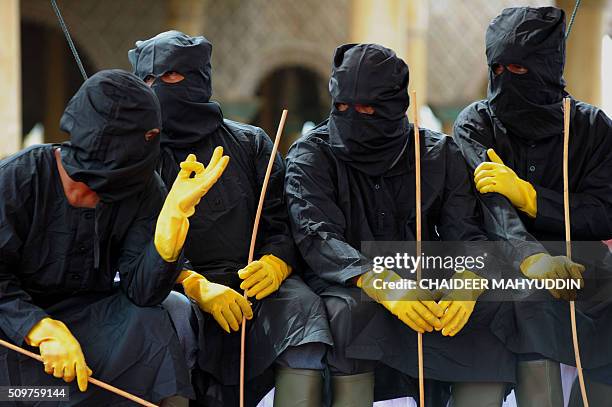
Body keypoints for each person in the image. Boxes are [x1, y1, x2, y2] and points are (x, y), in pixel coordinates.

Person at [285, 43, 516, 407]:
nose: (352, 117)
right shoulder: (311, 154)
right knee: (351, 312)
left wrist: (469, 280)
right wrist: (379, 281)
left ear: (395, 105)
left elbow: (467, 233)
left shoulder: (440, 154)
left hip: (424, 272)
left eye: (366, 109)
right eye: (342, 107)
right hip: (347, 282)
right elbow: (316, 233)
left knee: (492, 307)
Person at [0, 69, 229, 406]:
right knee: (34, 393)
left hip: (96, 318)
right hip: (17, 327)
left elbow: (142, 291)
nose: (156, 145)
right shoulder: (17, 179)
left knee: (151, 322)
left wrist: (171, 225)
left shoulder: (144, 187)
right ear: (108, 141)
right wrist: (41, 329)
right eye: (148, 136)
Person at [128, 31, 332, 407]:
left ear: (198, 78)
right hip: (173, 283)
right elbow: (132, 243)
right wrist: (193, 284)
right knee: (165, 320)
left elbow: (283, 219)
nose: (157, 89)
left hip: (252, 279)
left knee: (303, 310)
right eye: (147, 80)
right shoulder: (136, 154)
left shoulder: (251, 143)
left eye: (169, 77)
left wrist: (276, 262)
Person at [452, 6, 612, 407]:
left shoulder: (592, 129)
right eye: (498, 69)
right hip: (495, 261)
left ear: (546, 68)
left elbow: (604, 211)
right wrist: (531, 259)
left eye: (519, 70)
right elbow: (489, 208)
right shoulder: (477, 123)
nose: (506, 79)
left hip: (581, 263)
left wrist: (533, 198)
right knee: (518, 306)